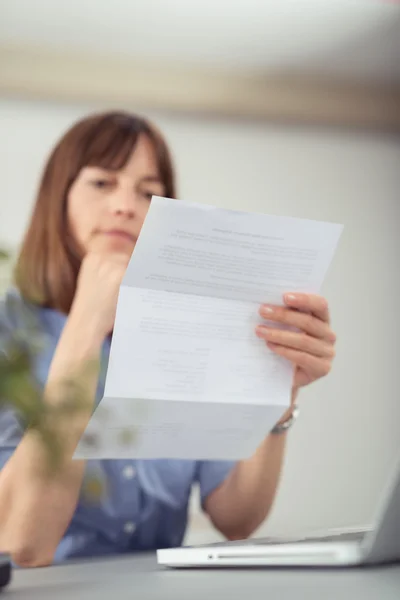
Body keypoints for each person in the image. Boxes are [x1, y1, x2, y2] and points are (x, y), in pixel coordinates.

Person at [0, 111, 336, 567]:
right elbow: (19, 545)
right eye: (102, 183)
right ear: (56, 197)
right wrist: (85, 324)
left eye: (148, 191)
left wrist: (280, 390)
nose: (126, 206)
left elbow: (236, 518)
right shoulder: (10, 338)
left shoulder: (191, 329)